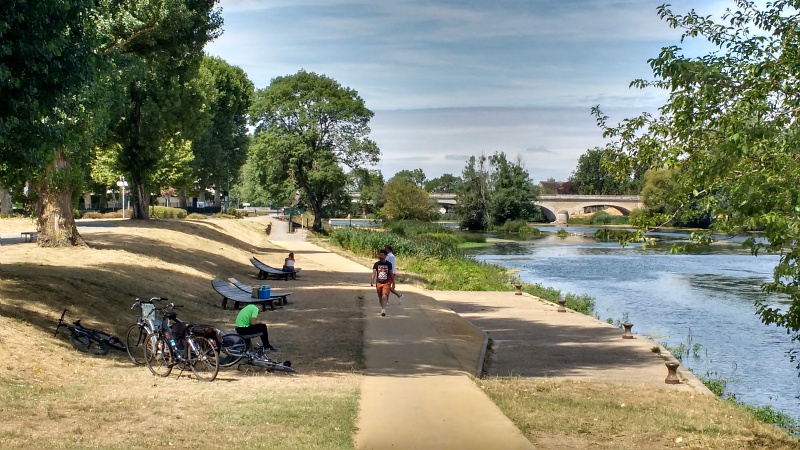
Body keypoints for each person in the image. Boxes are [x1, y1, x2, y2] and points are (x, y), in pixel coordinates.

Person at [370, 249, 394, 316]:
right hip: (379, 282)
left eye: (381, 255)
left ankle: (383, 310)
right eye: (379, 255)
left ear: (385, 255)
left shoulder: (389, 264)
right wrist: (372, 280)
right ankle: (382, 307)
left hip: (386, 282)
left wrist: (393, 283)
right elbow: (374, 273)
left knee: (384, 295)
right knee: (380, 296)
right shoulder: (376, 264)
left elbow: (391, 274)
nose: (380, 256)